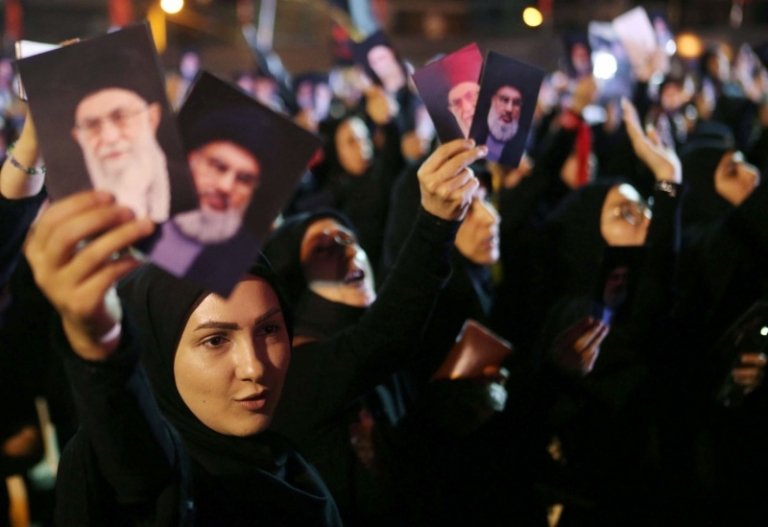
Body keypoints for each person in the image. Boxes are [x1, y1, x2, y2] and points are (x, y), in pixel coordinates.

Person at [24, 189, 343, 525]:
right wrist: (98, 341)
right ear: (157, 352)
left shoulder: (288, 455)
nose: (254, 367)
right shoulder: (142, 467)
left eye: (268, 330)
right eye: (216, 340)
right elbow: (132, 454)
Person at [148, 107, 265, 292]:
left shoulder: (247, 266)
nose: (225, 186)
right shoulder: (137, 217)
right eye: (218, 166)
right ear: (191, 160)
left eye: (244, 179)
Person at [70, 84, 170, 223]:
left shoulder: (195, 187)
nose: (110, 138)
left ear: (151, 119)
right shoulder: (75, 210)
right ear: (79, 138)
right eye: (92, 126)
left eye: (121, 117)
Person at [485, 84, 524, 160]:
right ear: (493, 100)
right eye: (504, 100)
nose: (509, 109)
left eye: (516, 103)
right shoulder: (475, 131)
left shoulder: (518, 150)